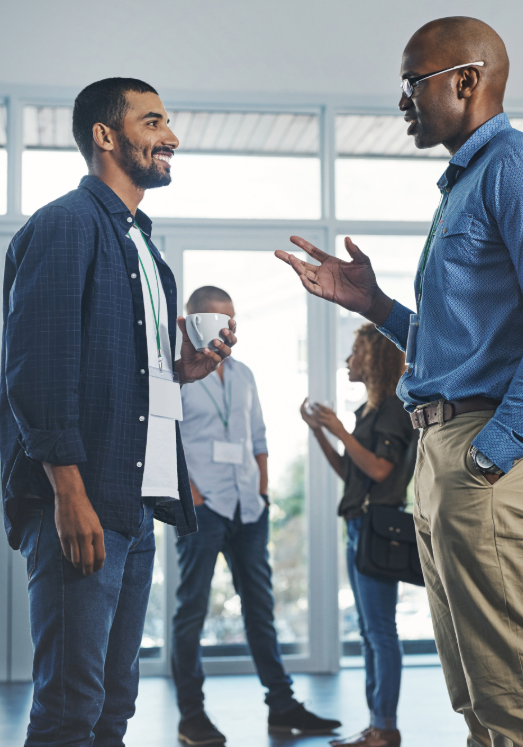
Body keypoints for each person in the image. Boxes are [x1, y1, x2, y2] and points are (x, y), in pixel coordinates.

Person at [276, 17, 523, 747]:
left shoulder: (518, 168)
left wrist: (493, 452)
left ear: (467, 81)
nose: (401, 103)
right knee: (480, 702)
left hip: (485, 456)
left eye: (412, 83)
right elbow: (456, 349)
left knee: (519, 705)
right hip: (446, 454)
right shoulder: (467, 185)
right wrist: (374, 305)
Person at [0, 78, 236, 747]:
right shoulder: (66, 226)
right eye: (154, 121)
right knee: (70, 709)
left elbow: (129, 376)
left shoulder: (145, 247)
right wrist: (69, 494)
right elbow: (38, 367)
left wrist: (181, 371)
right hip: (83, 500)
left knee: (112, 707)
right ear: (107, 137)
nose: (172, 136)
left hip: (133, 506)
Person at [171, 286, 340, 745]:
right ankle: (191, 716)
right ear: (189, 323)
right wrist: (193, 495)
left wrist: (262, 492)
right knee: (191, 612)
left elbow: (259, 438)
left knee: (261, 611)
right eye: (212, 319)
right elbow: (167, 438)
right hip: (203, 507)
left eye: (229, 320)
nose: (224, 328)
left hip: (248, 506)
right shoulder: (177, 374)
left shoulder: (243, 374)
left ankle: (282, 708)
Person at [300, 324, 416, 747]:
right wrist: (320, 431)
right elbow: (351, 474)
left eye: (355, 352)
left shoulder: (393, 410)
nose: (349, 360)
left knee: (381, 632)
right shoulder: (366, 412)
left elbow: (382, 471)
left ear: (374, 358)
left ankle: (385, 727)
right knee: (371, 632)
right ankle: (376, 725)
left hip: (378, 527)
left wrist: (339, 431)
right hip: (359, 524)